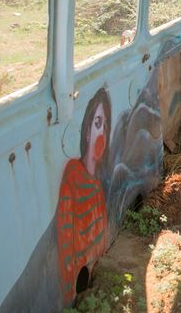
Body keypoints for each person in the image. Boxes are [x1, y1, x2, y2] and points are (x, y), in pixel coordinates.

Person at [55, 88, 110, 302]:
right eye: (97, 124)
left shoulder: (97, 188)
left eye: (105, 126)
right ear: (87, 131)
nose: (102, 134)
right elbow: (66, 247)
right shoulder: (72, 176)